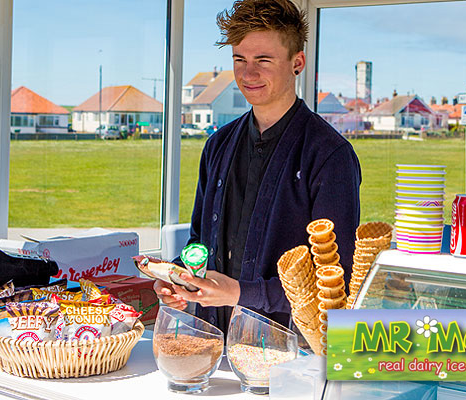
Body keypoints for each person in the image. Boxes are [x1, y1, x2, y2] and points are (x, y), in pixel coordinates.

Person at [154, 0, 361, 332]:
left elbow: (336, 282)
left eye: (263, 60)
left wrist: (239, 293)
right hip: (213, 341)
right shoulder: (217, 145)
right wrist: (178, 277)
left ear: (297, 63)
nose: (248, 74)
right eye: (240, 60)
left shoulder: (330, 155)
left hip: (292, 351)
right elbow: (199, 243)